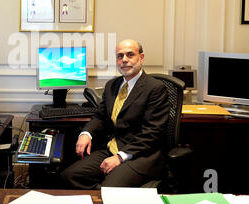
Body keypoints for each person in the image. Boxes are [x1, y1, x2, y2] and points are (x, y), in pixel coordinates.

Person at [61, 39, 170, 189]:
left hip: (141, 155)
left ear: (141, 58)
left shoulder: (155, 88)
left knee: (110, 188)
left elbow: (152, 133)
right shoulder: (112, 85)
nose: (124, 60)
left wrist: (120, 157)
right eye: (120, 56)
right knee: (70, 176)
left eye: (130, 55)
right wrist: (86, 133)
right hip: (112, 148)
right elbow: (100, 116)